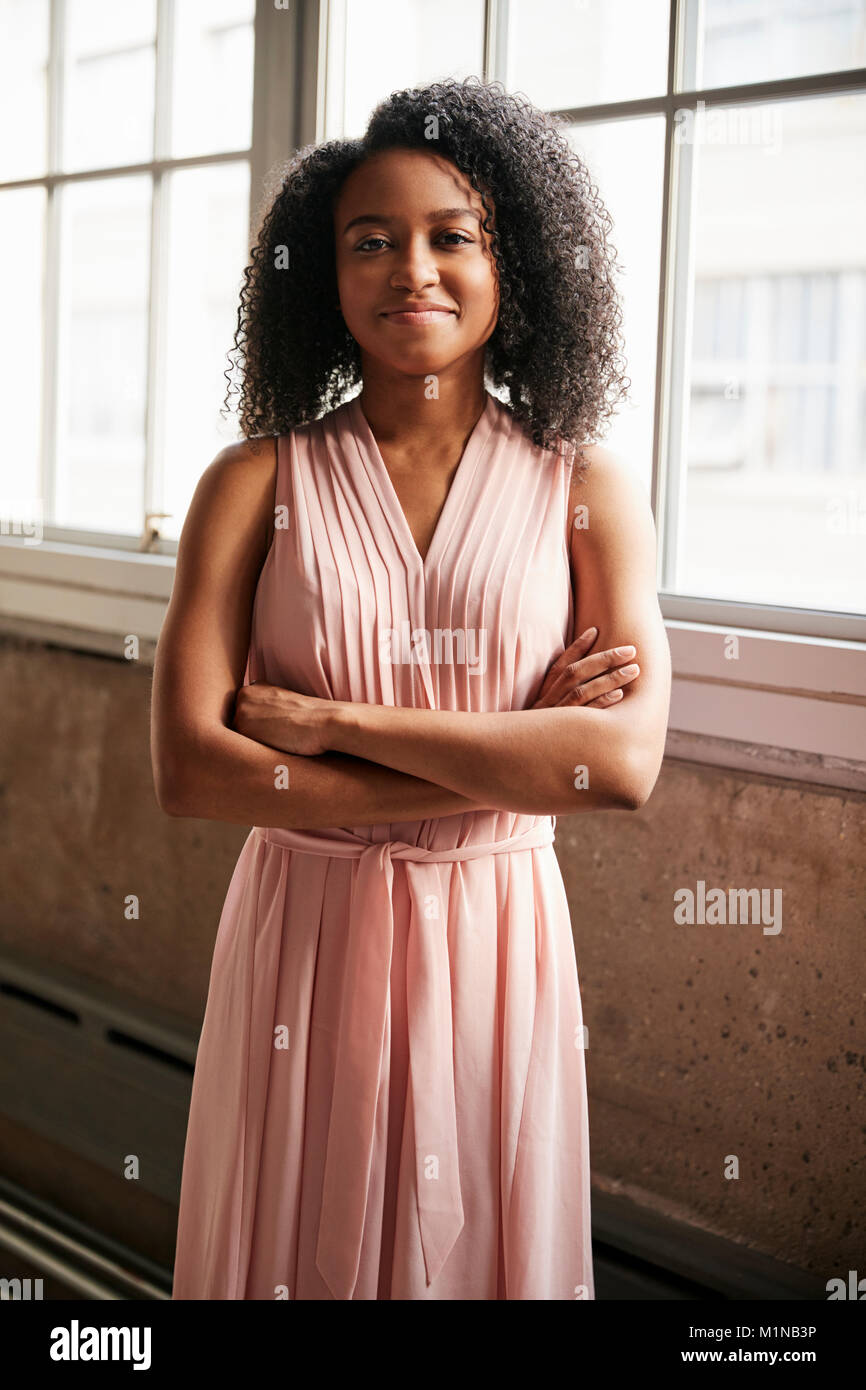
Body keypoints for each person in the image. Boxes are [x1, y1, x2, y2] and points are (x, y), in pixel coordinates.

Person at [152, 76, 671, 1301]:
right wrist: (508, 751)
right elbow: (191, 773)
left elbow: (619, 768)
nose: (412, 270)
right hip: (304, 941)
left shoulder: (582, 485)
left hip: (498, 941)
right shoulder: (250, 484)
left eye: (453, 236)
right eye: (368, 241)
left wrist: (330, 726)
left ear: (515, 264)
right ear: (322, 276)